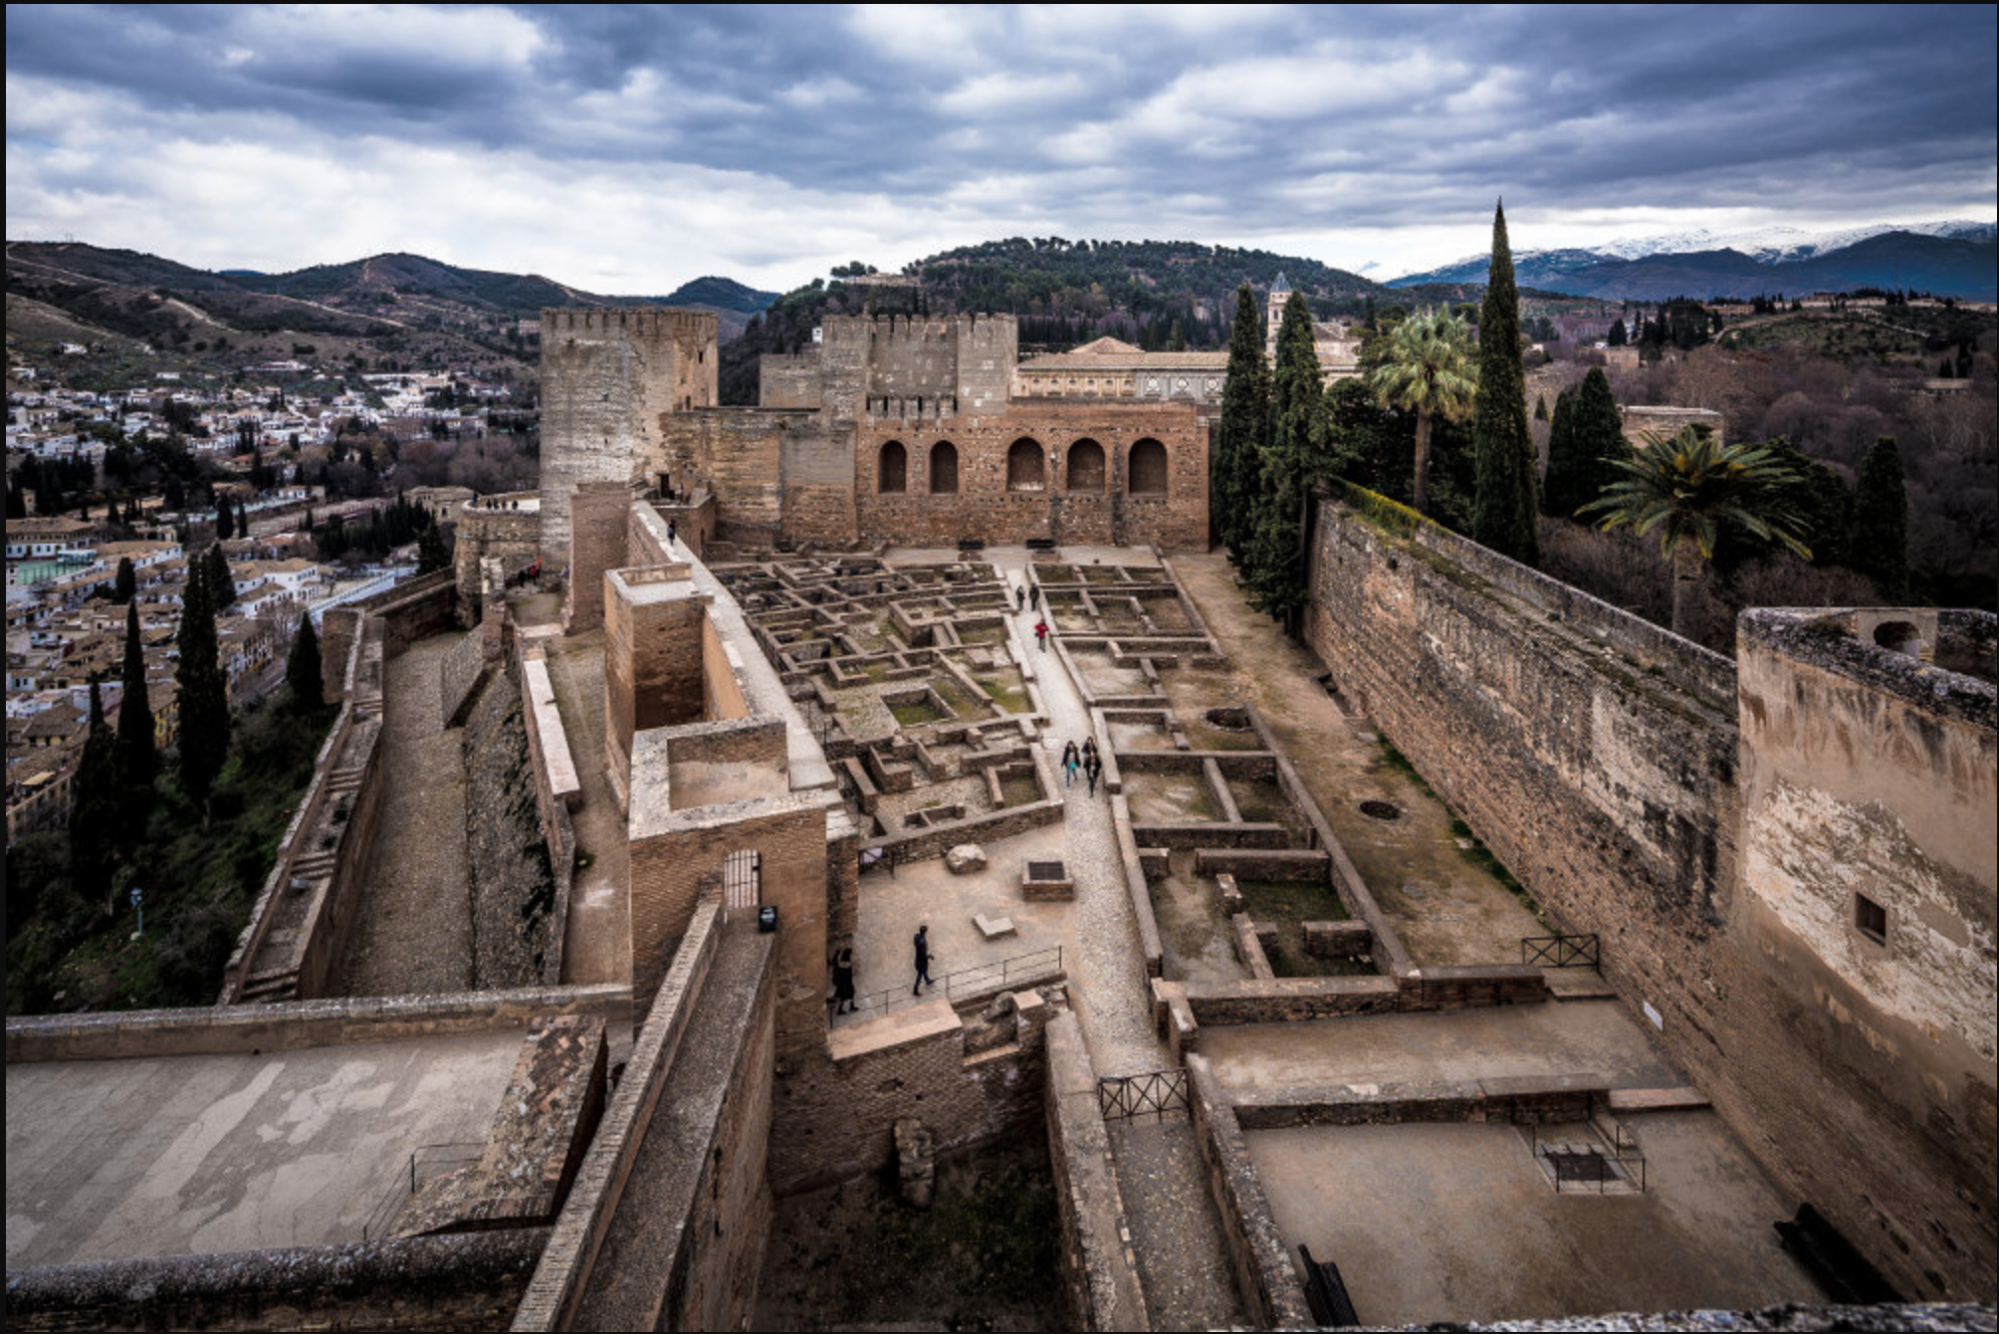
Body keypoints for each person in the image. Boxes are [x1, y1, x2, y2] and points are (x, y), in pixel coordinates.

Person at [831, 947, 856, 1014]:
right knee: (845, 996)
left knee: (848, 995)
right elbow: (848, 974)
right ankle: (840, 1010)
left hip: (844, 983)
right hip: (846, 983)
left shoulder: (841, 963)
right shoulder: (847, 964)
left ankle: (851, 1006)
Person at [912, 924, 934, 996]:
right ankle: (915, 989)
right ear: (925, 932)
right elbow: (924, 955)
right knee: (919, 975)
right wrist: (930, 956)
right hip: (921, 962)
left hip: (918, 959)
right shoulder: (922, 942)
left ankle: (927, 980)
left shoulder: (916, 936)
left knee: (924, 971)